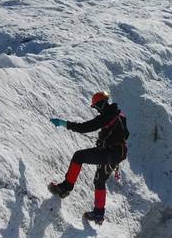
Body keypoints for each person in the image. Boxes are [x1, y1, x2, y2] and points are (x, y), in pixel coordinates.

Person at [48, 91, 129, 224]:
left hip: (110, 153)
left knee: (79, 156)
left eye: (96, 106)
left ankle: (65, 187)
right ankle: (98, 214)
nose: (96, 110)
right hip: (116, 154)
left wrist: (64, 123)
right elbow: (126, 135)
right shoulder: (120, 114)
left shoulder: (107, 115)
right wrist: (107, 140)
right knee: (99, 180)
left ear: (101, 104)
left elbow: (85, 127)